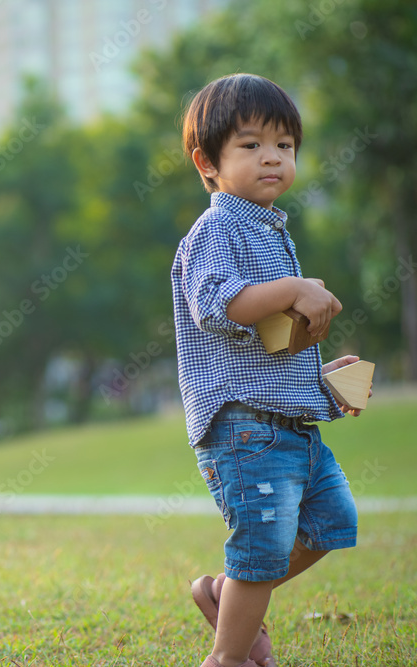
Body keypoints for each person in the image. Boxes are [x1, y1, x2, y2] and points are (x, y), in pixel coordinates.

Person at [171, 73, 370, 667]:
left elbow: (269, 347)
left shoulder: (269, 230)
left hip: (292, 425)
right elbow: (219, 307)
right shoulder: (217, 230)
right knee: (261, 548)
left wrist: (325, 375)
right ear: (207, 163)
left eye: (284, 146)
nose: (272, 158)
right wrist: (295, 286)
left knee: (333, 522)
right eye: (252, 144)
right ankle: (227, 659)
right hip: (244, 431)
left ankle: (224, 594)